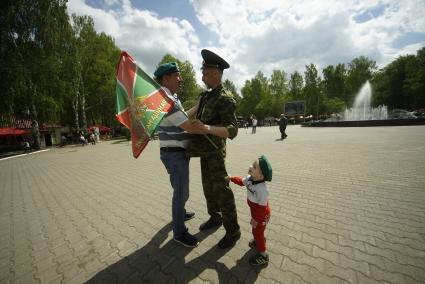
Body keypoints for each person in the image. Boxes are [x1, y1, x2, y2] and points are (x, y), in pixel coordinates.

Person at [187, 49, 241, 249]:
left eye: (205, 72)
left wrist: (206, 128)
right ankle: (215, 217)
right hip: (203, 152)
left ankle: (233, 231)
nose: (202, 77)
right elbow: (194, 118)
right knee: (208, 189)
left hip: (216, 153)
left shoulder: (225, 98)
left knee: (222, 191)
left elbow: (233, 130)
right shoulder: (207, 97)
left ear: (215, 73)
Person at [154, 62, 209, 248]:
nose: (180, 79)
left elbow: (184, 116)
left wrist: (198, 104)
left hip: (174, 153)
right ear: (165, 78)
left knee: (180, 191)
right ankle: (179, 232)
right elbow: (188, 126)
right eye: (177, 75)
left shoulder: (171, 97)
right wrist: (211, 129)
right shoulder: (166, 101)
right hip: (174, 154)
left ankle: (180, 213)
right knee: (181, 192)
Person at [229, 155, 272, 266]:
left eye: (254, 167)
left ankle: (263, 255)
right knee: (257, 231)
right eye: (252, 165)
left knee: (256, 231)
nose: (250, 167)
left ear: (261, 176)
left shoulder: (262, 190)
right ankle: (259, 239)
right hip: (256, 212)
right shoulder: (250, 178)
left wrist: (256, 220)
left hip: (261, 215)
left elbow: (262, 209)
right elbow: (240, 181)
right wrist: (231, 178)